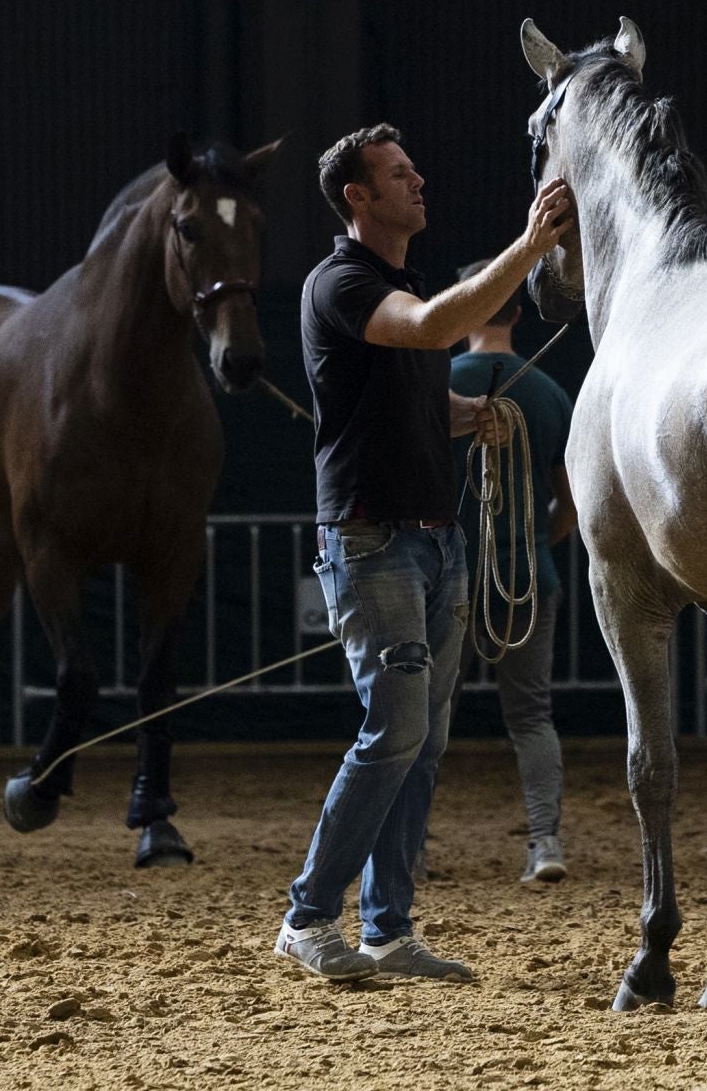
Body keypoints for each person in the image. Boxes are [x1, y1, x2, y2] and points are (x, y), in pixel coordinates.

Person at [273, 123, 576, 983]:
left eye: (414, 168)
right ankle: (306, 917)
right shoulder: (343, 282)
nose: (419, 181)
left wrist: (462, 416)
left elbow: (415, 395)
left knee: (422, 742)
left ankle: (388, 929)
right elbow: (439, 323)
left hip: (433, 541)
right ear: (356, 198)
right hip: (373, 541)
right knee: (396, 730)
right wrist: (530, 245)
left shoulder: (390, 283)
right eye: (398, 175)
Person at [447, 259, 577, 884]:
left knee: (425, 720)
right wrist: (534, 545)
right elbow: (568, 508)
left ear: (465, 308)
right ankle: (545, 843)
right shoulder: (550, 392)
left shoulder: (441, 385)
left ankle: (409, 850)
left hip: (451, 581)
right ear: (518, 313)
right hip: (529, 578)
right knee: (531, 715)